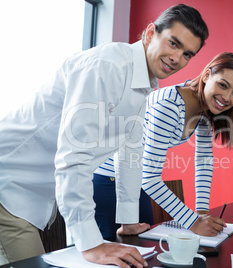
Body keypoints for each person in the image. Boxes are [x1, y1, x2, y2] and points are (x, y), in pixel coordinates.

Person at [0, 4, 208, 268]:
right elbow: (75, 155)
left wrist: (128, 219)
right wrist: (91, 244)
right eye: (173, 43)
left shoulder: (142, 84)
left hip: (34, 195)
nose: (177, 58)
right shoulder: (108, 65)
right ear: (150, 33)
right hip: (8, 183)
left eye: (187, 54)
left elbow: (130, 154)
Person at [140, 52, 233, 236]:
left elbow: (203, 161)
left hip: (135, 186)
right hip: (109, 180)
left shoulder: (204, 110)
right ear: (207, 75)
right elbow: (149, 177)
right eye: (223, 85)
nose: (227, 97)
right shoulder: (169, 105)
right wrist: (193, 221)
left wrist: (201, 213)